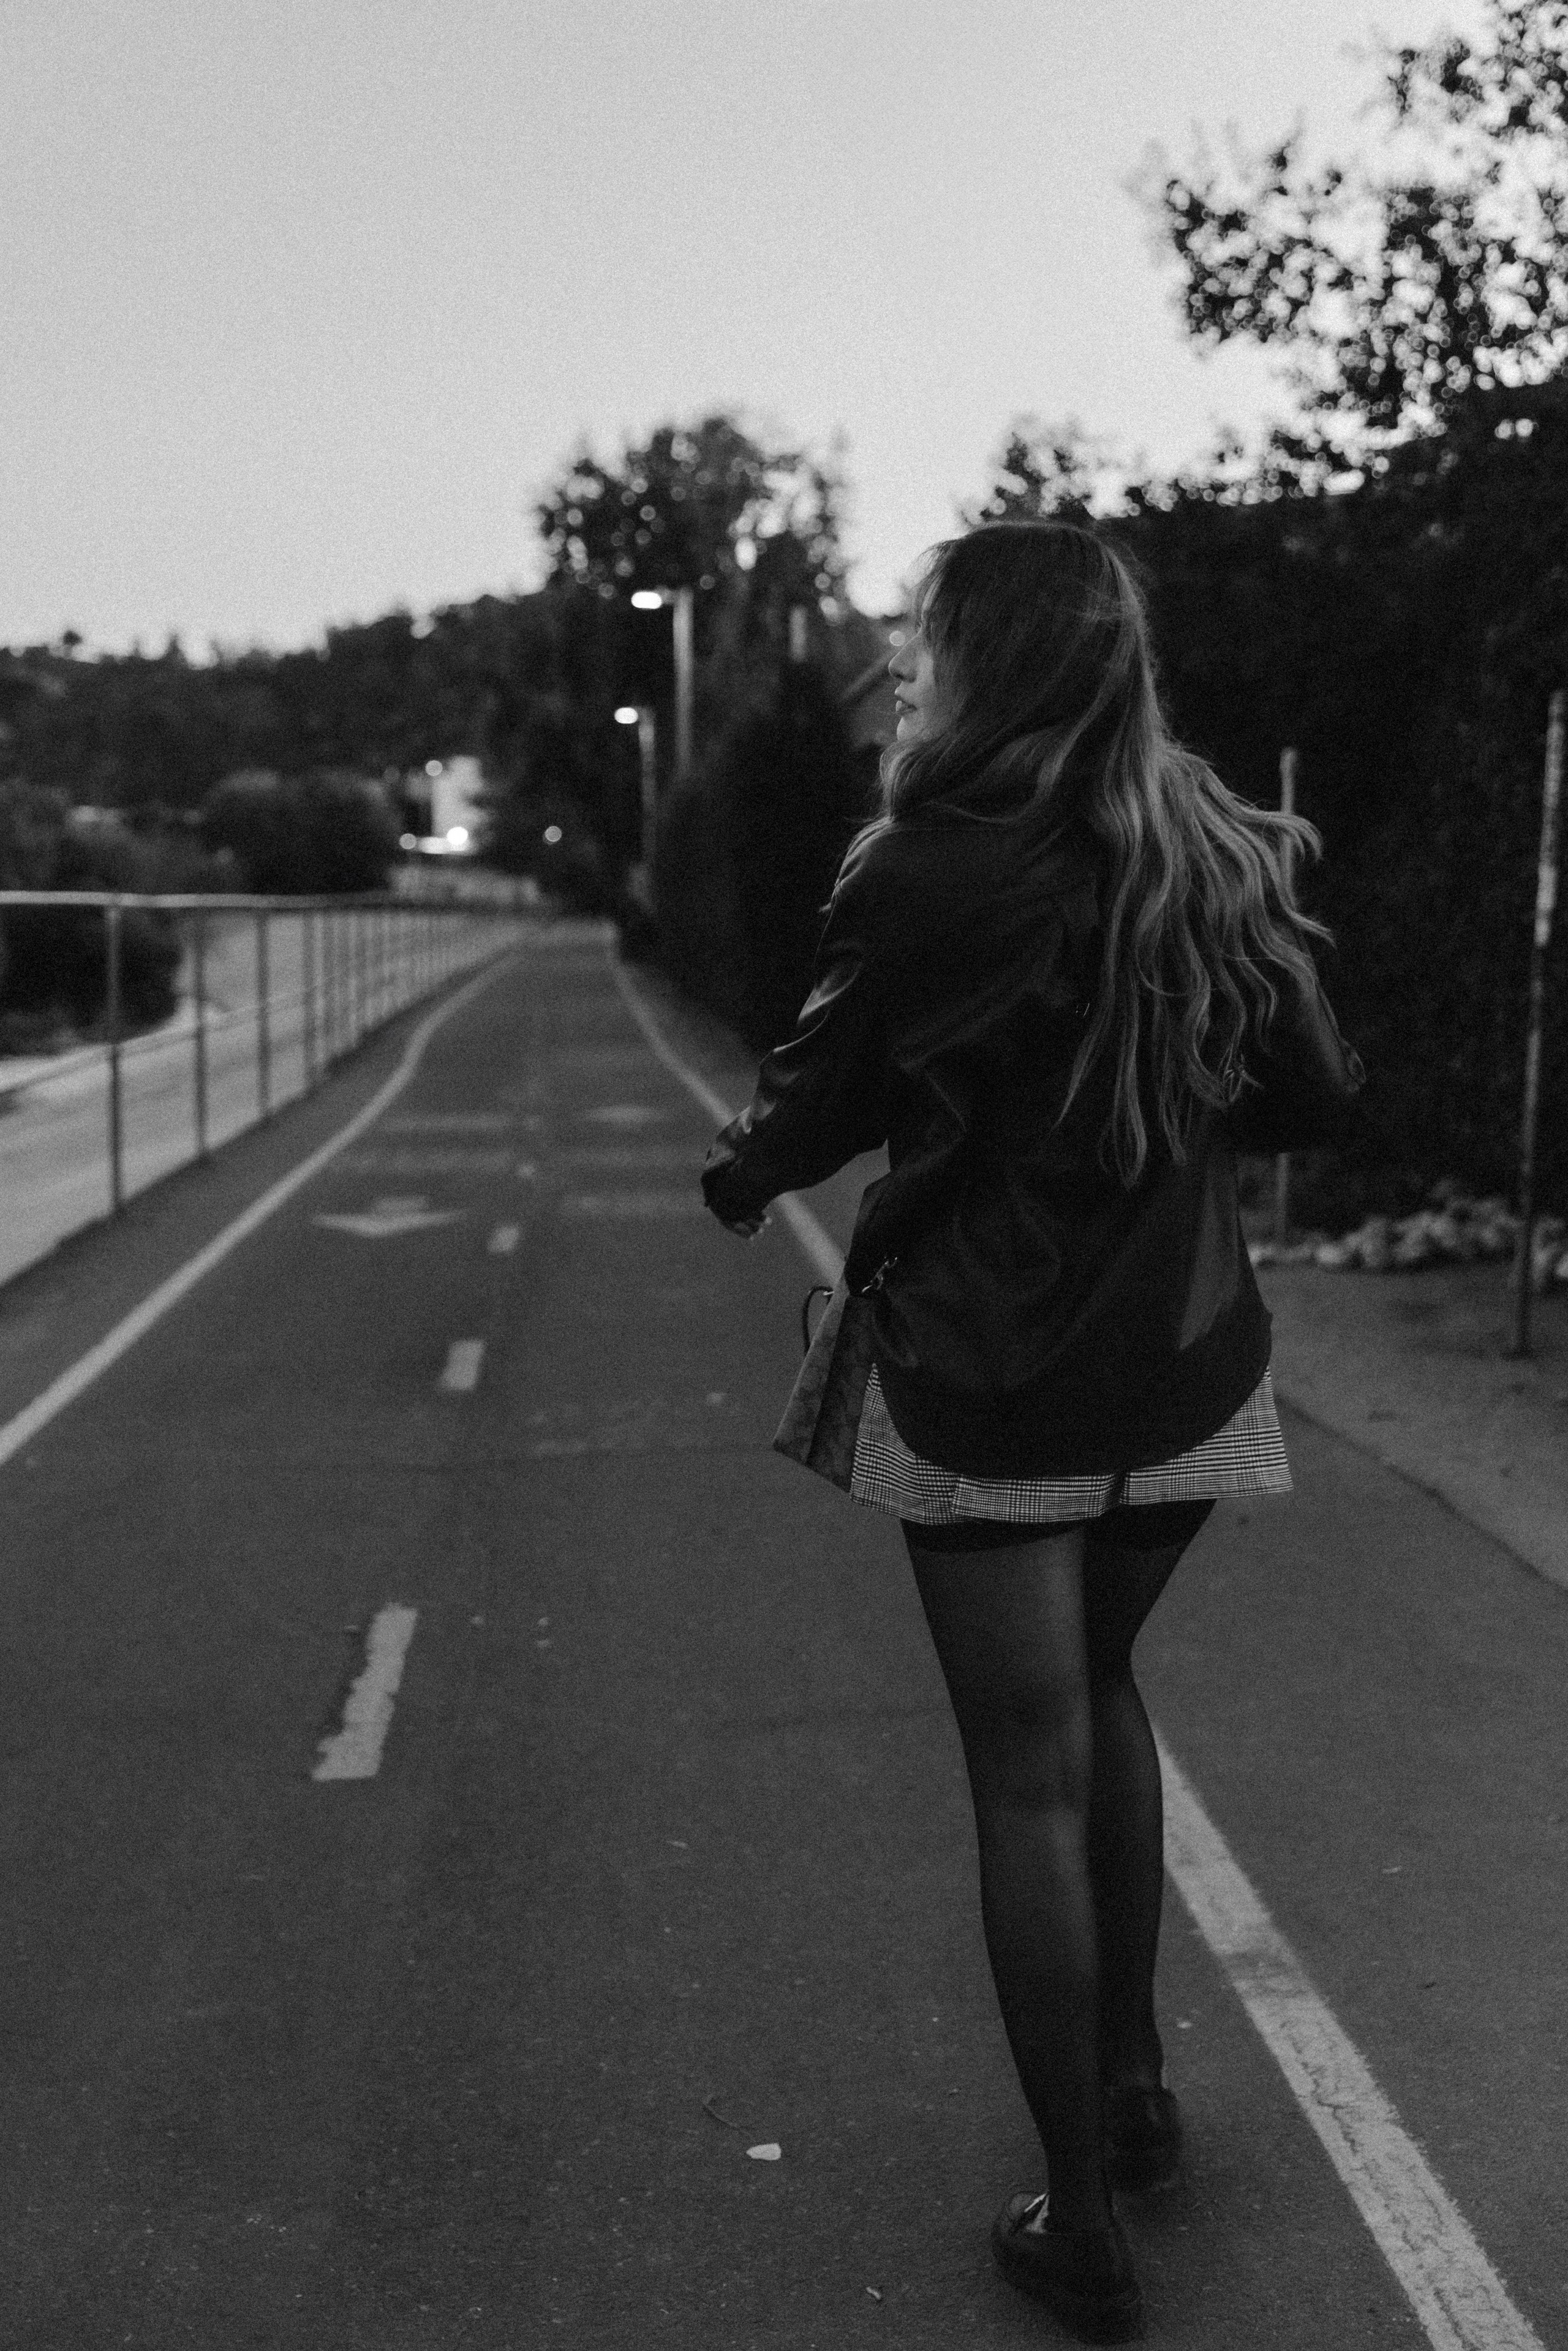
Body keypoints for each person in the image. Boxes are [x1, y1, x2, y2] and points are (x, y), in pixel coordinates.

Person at [701, 519, 1361, 2344]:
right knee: (1107, 1700)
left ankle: (1080, 2220)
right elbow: (1314, 1088)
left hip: (992, 1384)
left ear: (976, 662)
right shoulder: (1206, 840)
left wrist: (745, 1172)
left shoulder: (917, 867)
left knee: (1029, 1770)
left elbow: (823, 1092)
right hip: (1185, 1364)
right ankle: (1137, 2095)